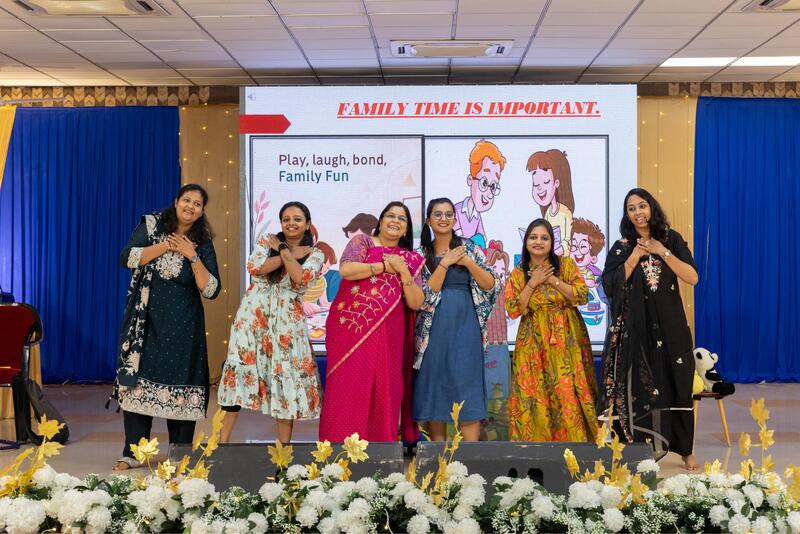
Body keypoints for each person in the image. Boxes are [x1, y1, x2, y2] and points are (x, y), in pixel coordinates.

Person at [114, 184, 221, 470]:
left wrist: (191, 254)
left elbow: (211, 289)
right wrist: (167, 245)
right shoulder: (152, 226)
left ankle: (179, 454)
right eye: (187, 200)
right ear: (176, 202)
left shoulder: (202, 241)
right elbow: (128, 257)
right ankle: (133, 453)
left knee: (183, 386)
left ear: (201, 211)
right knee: (139, 383)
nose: (191, 206)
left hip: (185, 327)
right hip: (146, 323)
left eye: (197, 204)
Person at [600, 188, 699, 470]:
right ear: (627, 215)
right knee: (636, 386)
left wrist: (661, 251)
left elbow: (692, 276)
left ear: (652, 207)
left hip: (670, 327)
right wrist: (634, 256)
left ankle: (685, 450)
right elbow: (609, 285)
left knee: (677, 381)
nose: (638, 212)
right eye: (631, 208)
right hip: (636, 330)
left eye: (642, 206)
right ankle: (632, 448)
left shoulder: (671, 239)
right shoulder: (621, 247)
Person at [217, 202, 323, 444]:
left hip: (287, 323)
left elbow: (300, 277)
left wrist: (283, 251)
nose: (291, 223)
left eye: (297, 219)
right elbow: (255, 268)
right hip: (252, 318)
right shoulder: (267, 241)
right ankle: (220, 446)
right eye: (286, 219)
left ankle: (283, 453)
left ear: (307, 223)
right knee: (238, 373)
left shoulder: (316, 253)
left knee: (284, 377)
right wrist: (289, 254)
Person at [319, 202, 424, 442]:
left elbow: (416, 302)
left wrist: (403, 271)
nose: (395, 221)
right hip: (352, 331)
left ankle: (380, 453)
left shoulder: (410, 259)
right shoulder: (363, 242)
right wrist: (385, 266)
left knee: (385, 391)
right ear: (381, 221)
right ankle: (337, 453)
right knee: (348, 388)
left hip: (390, 334)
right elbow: (347, 270)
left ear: (407, 229)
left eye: (402, 218)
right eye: (390, 216)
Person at [505, 219, 598, 442]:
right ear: (526, 241)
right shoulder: (518, 273)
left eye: (544, 238)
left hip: (567, 338)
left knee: (567, 390)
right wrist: (533, 282)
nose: (538, 242)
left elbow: (582, 296)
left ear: (552, 242)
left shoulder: (566, 265)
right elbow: (514, 309)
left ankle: (576, 447)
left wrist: (552, 280)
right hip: (532, 342)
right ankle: (537, 448)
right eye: (533, 237)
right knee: (535, 391)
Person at [414, 198, 498, 442]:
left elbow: (491, 285)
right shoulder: (420, 255)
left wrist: (469, 263)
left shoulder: (469, 248)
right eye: (437, 214)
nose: (444, 219)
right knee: (436, 384)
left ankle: (470, 456)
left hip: (466, 325)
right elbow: (424, 297)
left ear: (455, 218)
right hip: (433, 328)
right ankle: (438, 456)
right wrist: (445, 263)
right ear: (428, 220)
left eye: (449, 214)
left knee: (467, 382)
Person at [453, 140, 506, 242]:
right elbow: (456, 235)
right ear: (470, 180)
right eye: (484, 183)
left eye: (493, 186)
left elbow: (482, 238)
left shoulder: (477, 216)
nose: (489, 193)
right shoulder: (456, 210)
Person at [527, 149, 575, 256]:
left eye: (546, 182)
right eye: (536, 185)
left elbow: (568, 242)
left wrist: (557, 250)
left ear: (556, 183)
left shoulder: (565, 213)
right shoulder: (548, 213)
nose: (540, 188)